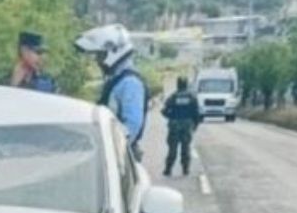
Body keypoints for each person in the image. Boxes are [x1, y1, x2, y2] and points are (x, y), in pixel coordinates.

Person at [75, 23, 148, 153]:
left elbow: (131, 126)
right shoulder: (116, 79)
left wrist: (110, 151)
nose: (98, 61)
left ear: (113, 51)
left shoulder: (130, 83)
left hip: (120, 155)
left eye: (100, 55)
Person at [162, 77, 202, 177]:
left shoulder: (173, 97)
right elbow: (196, 113)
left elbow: (164, 110)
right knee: (186, 147)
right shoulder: (192, 97)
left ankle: (168, 169)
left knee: (172, 148)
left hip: (174, 124)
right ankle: (185, 169)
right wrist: (195, 125)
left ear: (178, 84)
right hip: (187, 124)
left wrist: (171, 117)